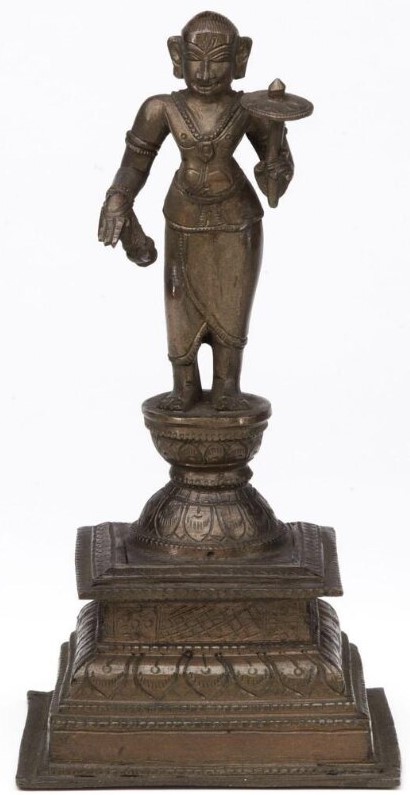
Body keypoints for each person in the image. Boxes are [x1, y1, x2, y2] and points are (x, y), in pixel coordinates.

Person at [98, 11, 294, 411]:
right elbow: (135, 164)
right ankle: (184, 386)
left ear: (240, 57)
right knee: (179, 305)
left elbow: (275, 181)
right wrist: (119, 196)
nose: (205, 73)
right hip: (183, 219)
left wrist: (276, 167)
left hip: (237, 222)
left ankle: (227, 388)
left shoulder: (253, 109)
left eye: (218, 60)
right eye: (195, 59)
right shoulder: (160, 108)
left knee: (232, 308)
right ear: (177, 55)